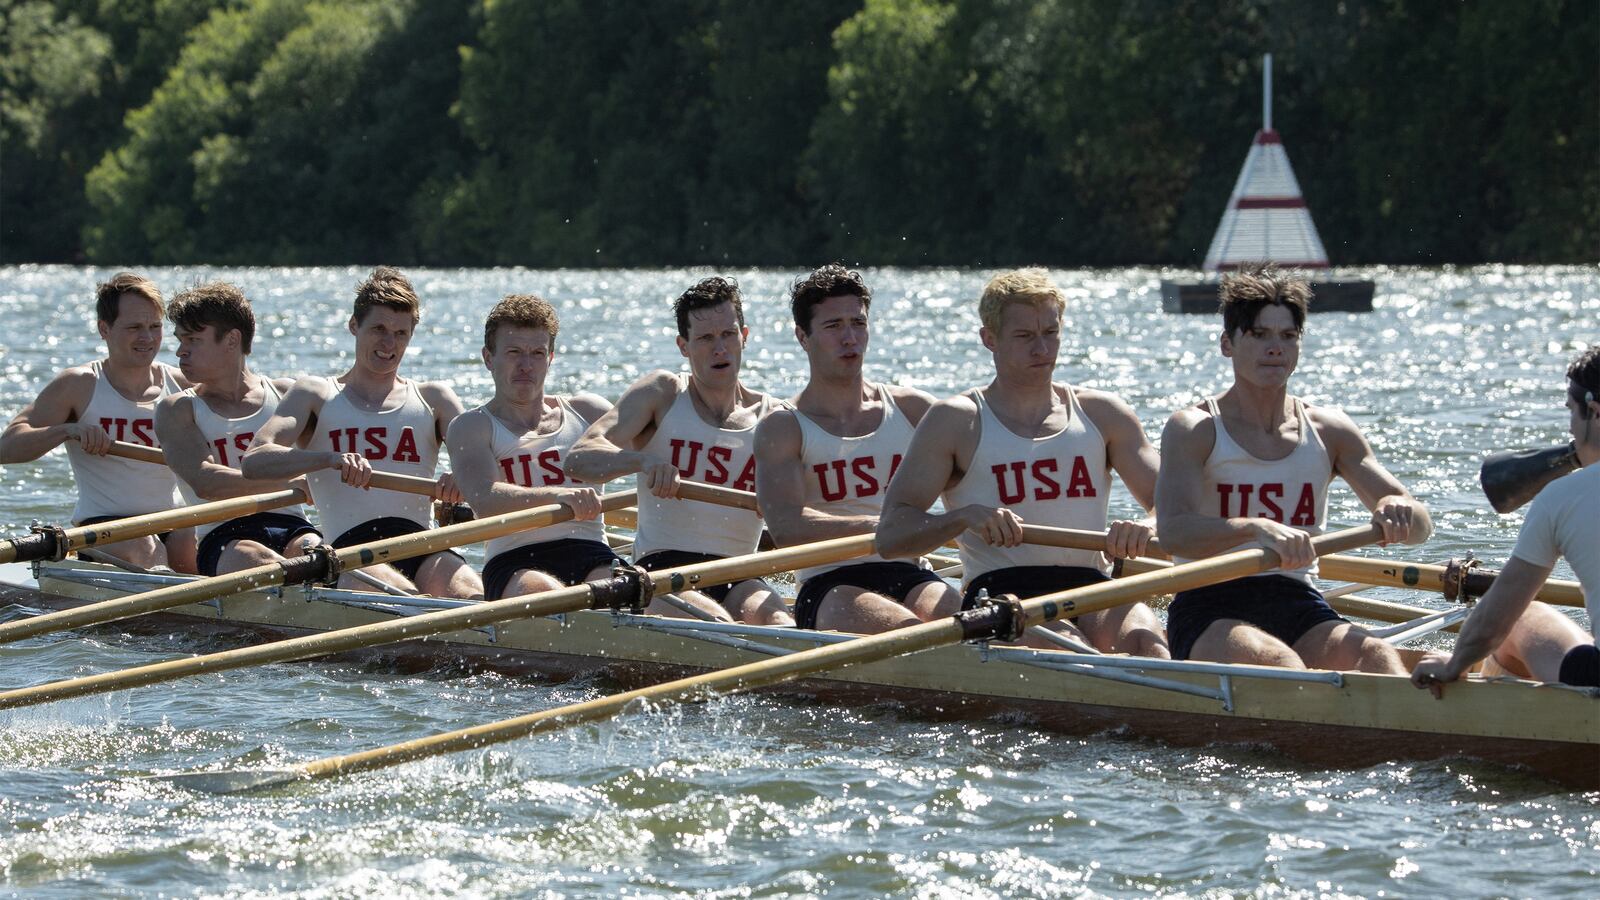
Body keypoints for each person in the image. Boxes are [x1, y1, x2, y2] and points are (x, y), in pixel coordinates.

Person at [1155, 264, 1432, 673]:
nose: (1275, 349)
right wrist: (1254, 528)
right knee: (1281, 664)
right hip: (1208, 603)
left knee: (1377, 655)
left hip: (1296, 598)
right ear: (1227, 344)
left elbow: (1422, 528)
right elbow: (1174, 532)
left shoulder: (1329, 429)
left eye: (1287, 336)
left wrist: (1397, 508)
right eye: (1260, 335)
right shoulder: (1193, 429)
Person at [877, 268, 1168, 655]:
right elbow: (892, 534)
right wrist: (964, 518)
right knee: (1072, 653)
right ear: (989, 339)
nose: (1042, 350)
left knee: (1147, 645)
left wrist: (1146, 526)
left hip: (1091, 586)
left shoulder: (1103, 413)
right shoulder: (956, 421)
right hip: (1002, 596)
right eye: (1025, 336)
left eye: (1051, 333)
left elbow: (1174, 503)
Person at [241, 267, 481, 598]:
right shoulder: (315, 394)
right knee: (403, 598)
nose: (388, 343)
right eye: (379, 329)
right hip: (350, 552)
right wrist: (327, 459)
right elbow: (254, 461)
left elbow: (487, 466)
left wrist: (464, 477)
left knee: (472, 596)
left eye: (400, 333)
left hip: (423, 546)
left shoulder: (433, 398)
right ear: (354, 326)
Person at [566, 277, 794, 625]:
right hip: (661, 571)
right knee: (719, 626)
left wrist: (783, 504)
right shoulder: (663, 394)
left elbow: (807, 505)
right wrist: (642, 461)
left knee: (783, 629)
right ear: (683, 346)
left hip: (740, 574)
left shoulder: (775, 418)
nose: (720, 348)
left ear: (744, 337)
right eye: (705, 338)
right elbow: (579, 459)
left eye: (728, 335)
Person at [754, 264, 962, 633]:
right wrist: (879, 526)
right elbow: (785, 527)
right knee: (913, 631)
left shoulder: (914, 410)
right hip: (829, 583)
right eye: (834, 327)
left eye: (858, 324)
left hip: (909, 572)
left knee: (973, 625)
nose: (849, 338)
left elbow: (982, 475)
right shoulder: (783, 426)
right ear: (803, 337)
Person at [1412, 347, 1599, 692]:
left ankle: (1494, 730)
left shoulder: (1561, 497)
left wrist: (1455, 663)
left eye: (1572, 413)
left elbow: (1496, 616)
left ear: (1594, 411)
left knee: (1522, 618)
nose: (1571, 430)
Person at [0, 272, 196, 572]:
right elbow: (8, 447)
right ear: (104, 329)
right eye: (134, 327)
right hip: (103, 528)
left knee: (195, 542)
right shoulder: (79, 385)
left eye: (155, 327)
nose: (147, 338)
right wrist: (68, 430)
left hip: (173, 524)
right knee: (146, 547)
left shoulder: (183, 385)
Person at [445, 294, 617, 602]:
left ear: (550, 358)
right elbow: (484, 500)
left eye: (537, 353)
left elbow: (655, 450)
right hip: (516, 561)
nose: (526, 365)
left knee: (619, 593)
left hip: (592, 552)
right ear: (488, 358)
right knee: (548, 595)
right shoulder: (471, 426)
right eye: (514, 352)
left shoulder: (590, 412)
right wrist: (557, 494)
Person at [154, 283, 321, 576]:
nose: (180, 351)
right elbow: (206, 482)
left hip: (293, 526)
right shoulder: (177, 409)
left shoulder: (286, 394)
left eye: (192, 340)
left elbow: (342, 448)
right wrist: (290, 483)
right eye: (181, 340)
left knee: (319, 555)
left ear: (232, 340)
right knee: (268, 565)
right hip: (224, 535)